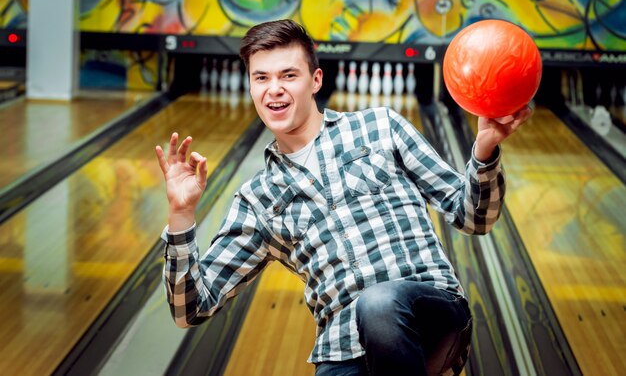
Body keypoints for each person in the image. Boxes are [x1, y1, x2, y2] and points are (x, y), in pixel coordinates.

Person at [155, 19, 532, 376]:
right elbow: (191, 308)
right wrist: (181, 213)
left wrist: (484, 152)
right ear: (251, 86)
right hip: (341, 348)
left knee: (380, 304)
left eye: (289, 75)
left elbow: (472, 217)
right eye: (262, 78)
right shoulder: (257, 200)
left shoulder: (381, 127)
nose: (274, 88)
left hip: (428, 314)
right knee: (370, 313)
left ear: (315, 79)